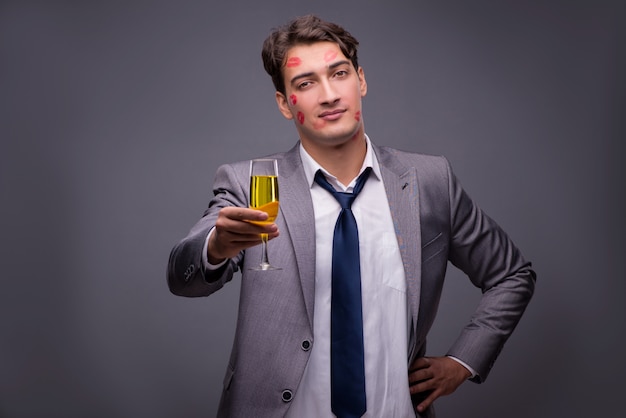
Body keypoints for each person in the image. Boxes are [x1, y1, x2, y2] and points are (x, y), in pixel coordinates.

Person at [167, 14, 536, 418]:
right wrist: (215, 247)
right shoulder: (252, 183)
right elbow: (183, 276)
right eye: (305, 83)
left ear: (360, 80)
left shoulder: (430, 181)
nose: (328, 95)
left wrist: (462, 362)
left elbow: (511, 274)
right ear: (284, 104)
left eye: (338, 74)